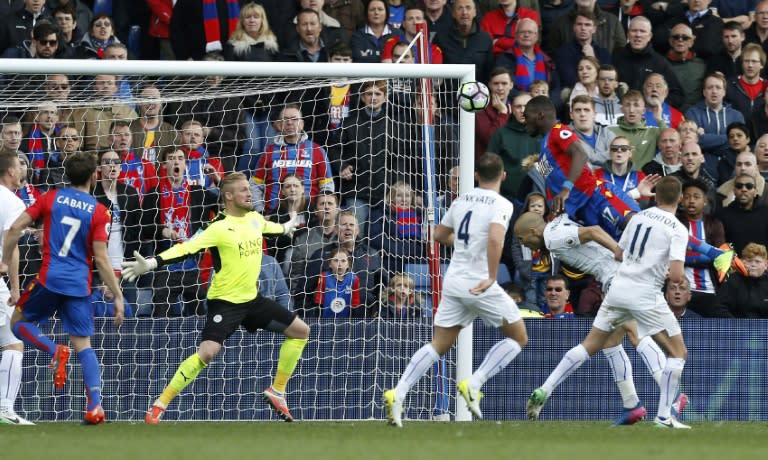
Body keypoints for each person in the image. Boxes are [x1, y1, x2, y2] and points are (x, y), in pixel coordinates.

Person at [122, 172, 309, 424]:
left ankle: (277, 391)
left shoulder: (255, 219)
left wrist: (290, 223)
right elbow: (186, 248)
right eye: (243, 190)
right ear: (228, 196)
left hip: (252, 300)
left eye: (249, 189)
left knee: (301, 331)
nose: (249, 193)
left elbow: (277, 229)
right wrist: (153, 263)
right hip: (224, 302)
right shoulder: (218, 228)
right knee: (208, 353)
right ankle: (160, 403)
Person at [525, 176, 693, 429]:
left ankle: (633, 403)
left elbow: (595, 225)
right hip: (625, 281)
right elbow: (597, 205)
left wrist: (618, 250)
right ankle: (650, 402)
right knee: (620, 341)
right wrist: (634, 193)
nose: (523, 245)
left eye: (522, 239)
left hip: (617, 280)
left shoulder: (552, 234)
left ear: (532, 231)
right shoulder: (561, 216)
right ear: (679, 198)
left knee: (613, 340)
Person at [383, 153, 528, 426]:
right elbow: (496, 239)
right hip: (479, 282)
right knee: (518, 337)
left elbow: (438, 234)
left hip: (454, 280)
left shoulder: (461, 200)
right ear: (503, 176)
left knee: (439, 344)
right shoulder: (502, 204)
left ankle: (398, 392)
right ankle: (475, 382)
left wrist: (465, 245)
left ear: (476, 176)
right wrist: (492, 276)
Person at [0, 151, 124, 425]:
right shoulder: (99, 211)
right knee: (84, 346)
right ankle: (95, 406)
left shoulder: (51, 198)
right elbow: (101, 258)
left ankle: (54, 350)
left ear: (66, 175)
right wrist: (117, 295)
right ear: (95, 176)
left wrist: (5, 261)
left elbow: (15, 228)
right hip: (79, 285)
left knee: (18, 323)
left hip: (49, 279)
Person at [523, 95, 648, 240]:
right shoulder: (543, 148)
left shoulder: (557, 130)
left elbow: (580, 154)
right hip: (582, 212)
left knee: (636, 229)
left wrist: (566, 189)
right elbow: (551, 185)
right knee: (620, 248)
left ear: (540, 115)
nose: (524, 121)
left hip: (596, 196)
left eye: (526, 116)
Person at [251, 104, 334, 215]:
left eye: (294, 119)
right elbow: (255, 185)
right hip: (273, 217)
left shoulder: (317, 150)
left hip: (309, 216)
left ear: (302, 124)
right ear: (279, 125)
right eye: (285, 119)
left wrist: (318, 213)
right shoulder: (268, 152)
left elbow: (327, 187)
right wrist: (260, 211)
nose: (290, 122)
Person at [0, 152, 33, 425]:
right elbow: (11, 247)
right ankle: (5, 409)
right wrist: (15, 288)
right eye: (18, 165)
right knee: (13, 340)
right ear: (10, 172)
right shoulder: (12, 202)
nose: (21, 170)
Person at [713, 242, 768, 317]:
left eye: (757, 261)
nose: (753, 265)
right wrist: (738, 327)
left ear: (766, 265)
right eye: (749, 261)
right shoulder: (732, 281)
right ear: (742, 263)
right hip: (738, 326)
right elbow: (720, 308)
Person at [312, 246, 362, 317]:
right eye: (336, 260)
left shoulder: (354, 279)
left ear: (348, 264)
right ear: (330, 264)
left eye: (343, 261)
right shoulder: (324, 277)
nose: (339, 264)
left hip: (345, 322)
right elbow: (319, 302)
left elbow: (355, 304)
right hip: (326, 321)